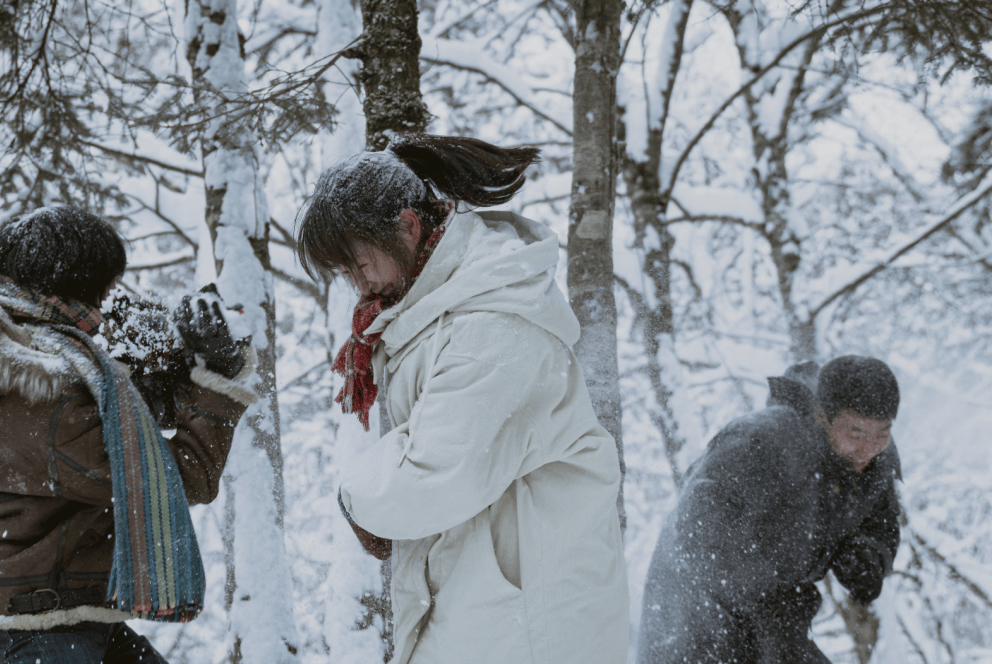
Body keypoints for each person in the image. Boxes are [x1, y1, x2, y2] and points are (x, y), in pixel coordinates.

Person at [295, 134, 630, 664]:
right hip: (491, 606)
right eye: (345, 274)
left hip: (528, 622)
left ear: (408, 226)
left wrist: (355, 497)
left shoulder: (492, 322)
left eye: (359, 265)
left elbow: (433, 474)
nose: (358, 286)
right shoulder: (438, 311)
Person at [0, 206, 257, 664]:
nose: (105, 307)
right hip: (49, 629)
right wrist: (215, 377)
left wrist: (183, 355)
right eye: (102, 291)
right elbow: (177, 479)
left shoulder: (47, 363)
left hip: (73, 616)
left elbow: (131, 417)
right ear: (73, 288)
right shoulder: (48, 398)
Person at [637, 356, 903, 664]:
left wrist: (868, 555)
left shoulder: (875, 460)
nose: (868, 449)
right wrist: (768, 600)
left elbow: (880, 522)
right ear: (822, 416)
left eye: (882, 434)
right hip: (697, 620)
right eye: (855, 434)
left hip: (776, 621)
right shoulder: (760, 443)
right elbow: (696, 534)